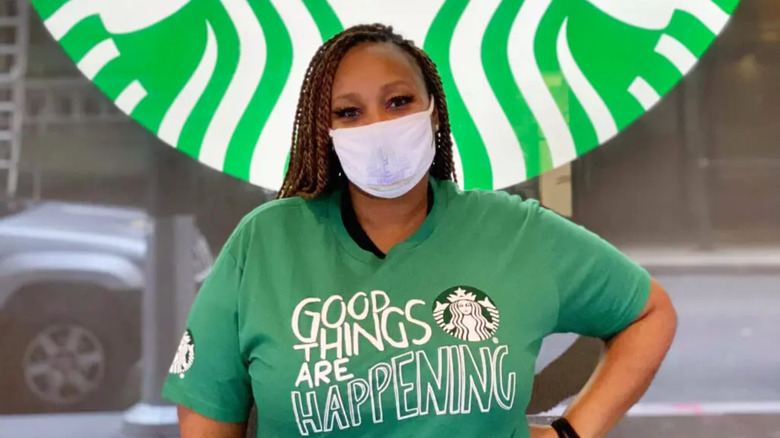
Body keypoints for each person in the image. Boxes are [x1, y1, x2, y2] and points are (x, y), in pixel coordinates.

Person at [162, 23, 677, 438]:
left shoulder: (515, 231)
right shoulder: (266, 242)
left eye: (398, 101)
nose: (378, 127)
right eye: (349, 111)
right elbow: (208, 409)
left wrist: (570, 432)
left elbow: (649, 312)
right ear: (327, 132)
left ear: (434, 111)